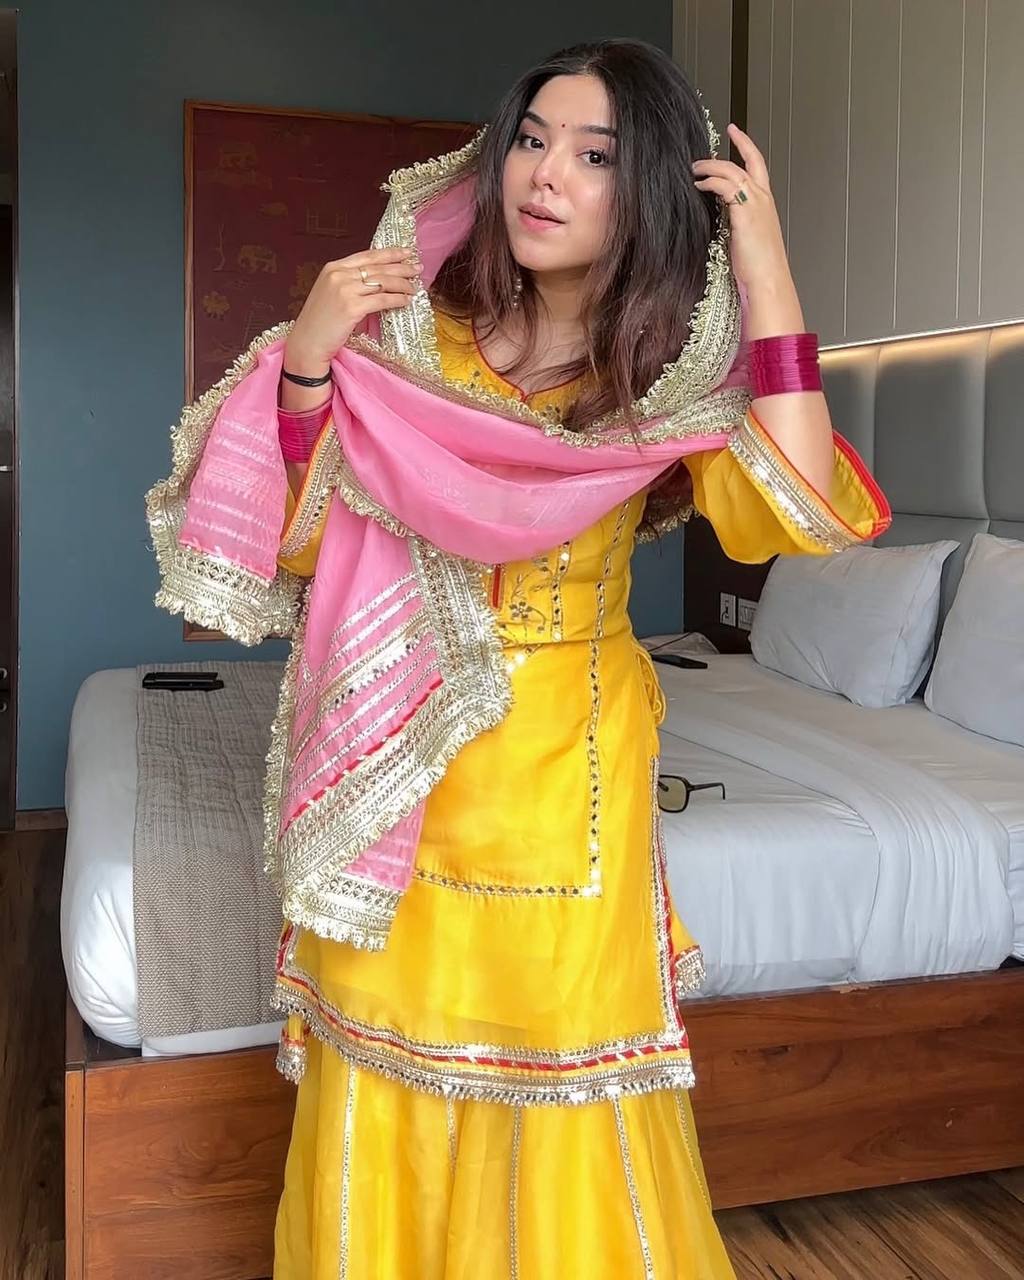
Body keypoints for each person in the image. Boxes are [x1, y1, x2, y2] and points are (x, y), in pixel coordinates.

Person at [148, 38, 888, 1280]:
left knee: (561, 1082)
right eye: (533, 140)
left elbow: (799, 510)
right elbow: (301, 541)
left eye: (595, 155)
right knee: (380, 1060)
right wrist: (311, 358)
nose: (546, 174)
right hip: (395, 767)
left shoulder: (663, 374)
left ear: (648, 190)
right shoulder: (416, 342)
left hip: (566, 779)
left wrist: (763, 262)